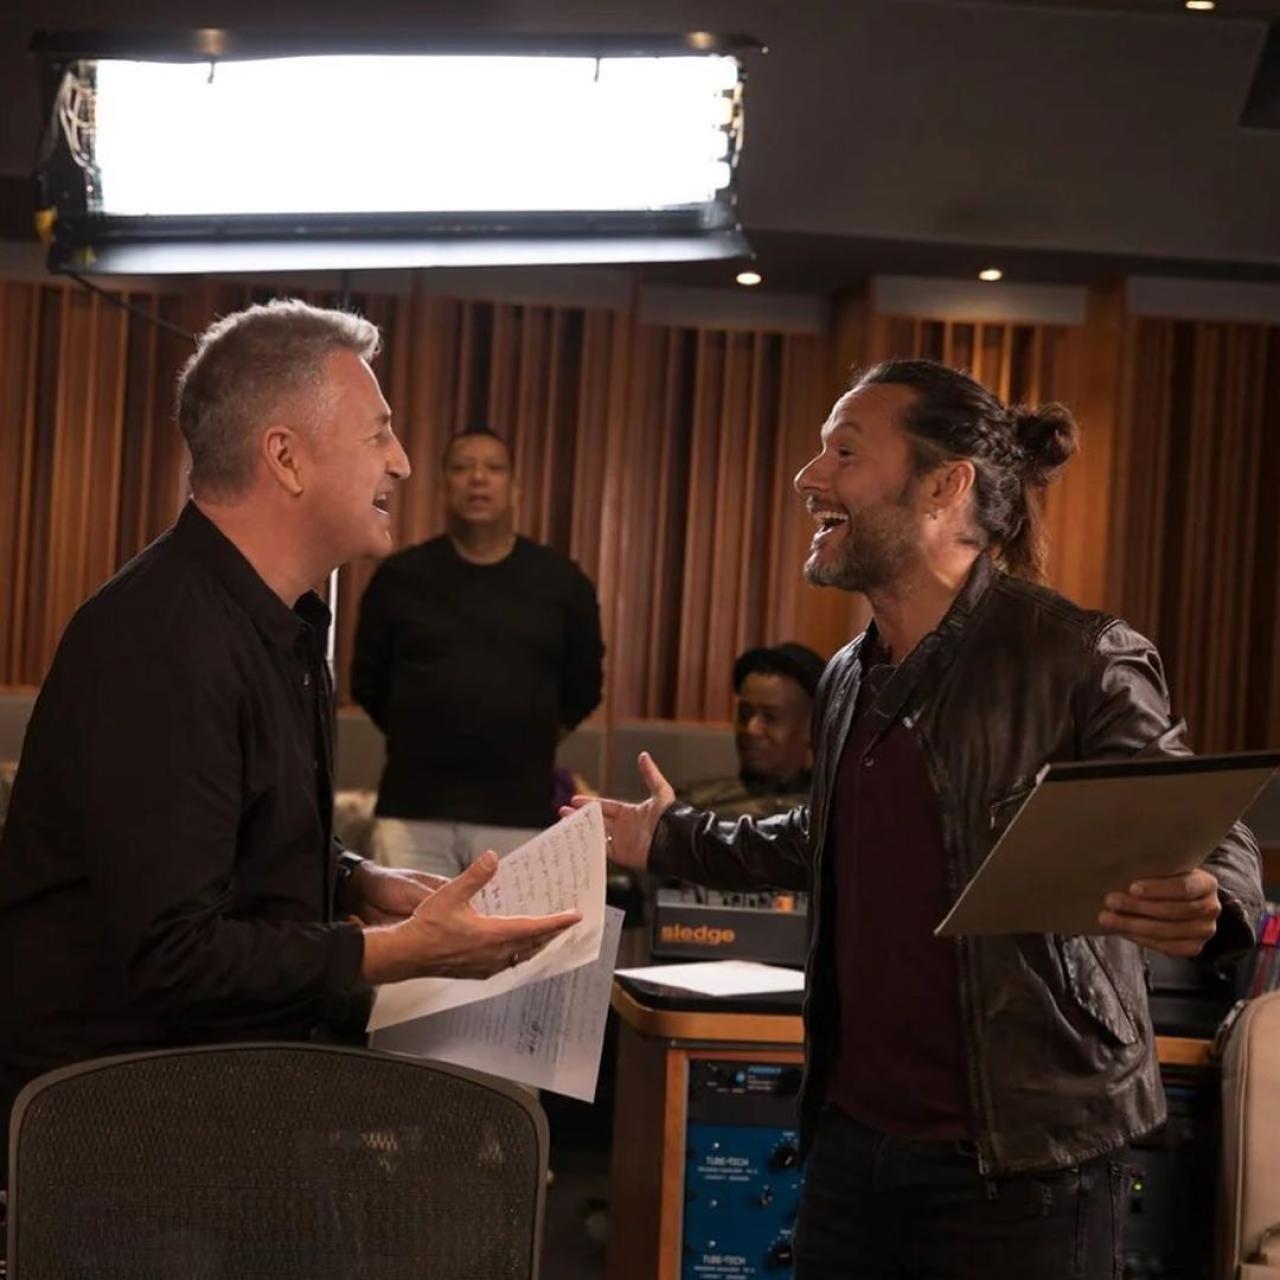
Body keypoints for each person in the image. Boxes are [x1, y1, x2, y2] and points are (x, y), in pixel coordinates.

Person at [569, 359, 1263, 1280]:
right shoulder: (847, 673)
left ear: (944, 486)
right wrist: (666, 836)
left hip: (1025, 1163)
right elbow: (824, 837)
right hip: (853, 1148)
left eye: (845, 452)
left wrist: (1212, 896)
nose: (809, 476)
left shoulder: (1077, 656)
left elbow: (1211, 830)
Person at [0, 301, 578, 1177]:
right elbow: (173, 955)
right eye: (378, 433)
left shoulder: (278, 622)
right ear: (285, 457)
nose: (402, 461)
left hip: (213, 1097)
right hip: (117, 1133)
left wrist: (356, 880)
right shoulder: (164, 639)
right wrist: (397, 952)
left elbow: (222, 831)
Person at [352, 427, 603, 877]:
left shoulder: (562, 583)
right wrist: (427, 731)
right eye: (462, 468)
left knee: (509, 928)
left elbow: (584, 687)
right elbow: (367, 683)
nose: (478, 479)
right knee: (411, 925)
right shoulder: (400, 579)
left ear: (515, 487)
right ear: (443, 486)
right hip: (414, 813)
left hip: (519, 814)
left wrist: (525, 734)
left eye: (493, 468)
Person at [682, 641, 825, 821]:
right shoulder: (691, 808)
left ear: (812, 727)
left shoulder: (834, 817)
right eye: (745, 714)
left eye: (770, 717)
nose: (751, 729)